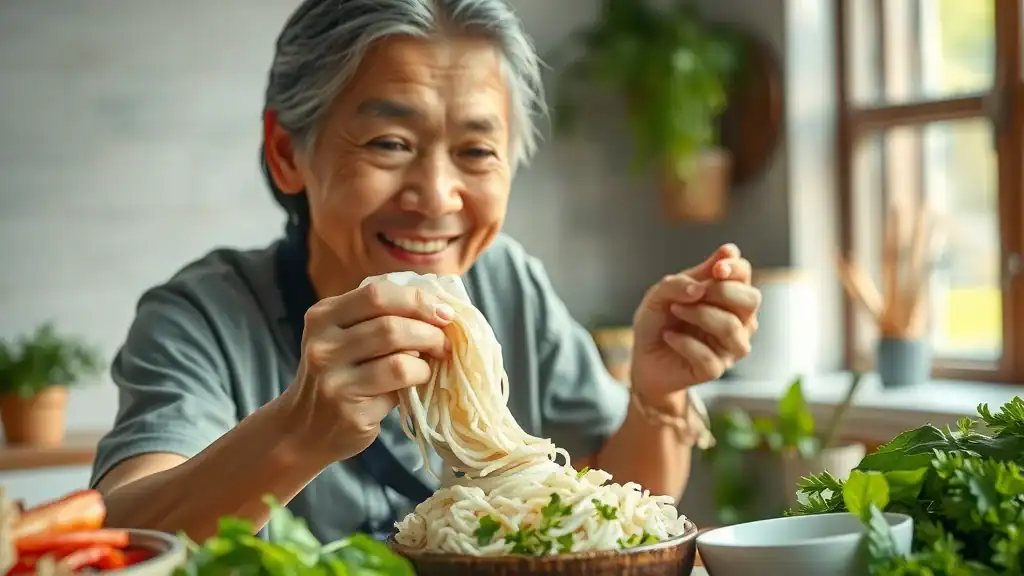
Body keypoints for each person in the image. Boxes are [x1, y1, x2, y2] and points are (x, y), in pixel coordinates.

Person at [91, 0, 762, 544]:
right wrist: (298, 430)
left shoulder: (505, 283)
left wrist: (659, 389)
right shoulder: (201, 317)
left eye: (475, 151)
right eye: (390, 144)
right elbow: (119, 537)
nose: (437, 197)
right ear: (285, 151)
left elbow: (612, 513)